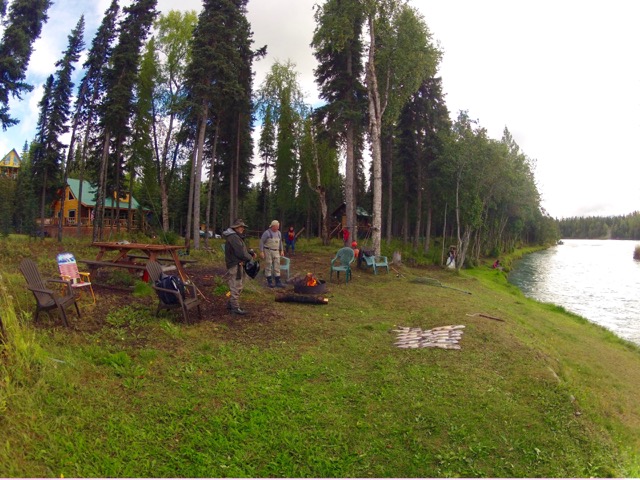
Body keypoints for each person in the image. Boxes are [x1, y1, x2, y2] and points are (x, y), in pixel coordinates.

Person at [222, 219, 256, 315]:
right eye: (241, 227)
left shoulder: (235, 237)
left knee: (238, 285)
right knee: (236, 285)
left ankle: (231, 304)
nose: (242, 229)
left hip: (237, 264)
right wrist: (250, 258)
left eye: (243, 227)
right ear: (236, 228)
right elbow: (240, 253)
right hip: (235, 265)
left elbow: (241, 251)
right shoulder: (233, 237)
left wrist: (249, 253)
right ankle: (235, 308)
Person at [260, 220, 285, 288]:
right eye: (277, 226)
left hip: (276, 251)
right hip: (268, 250)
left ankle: (278, 281)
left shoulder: (279, 233)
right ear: (273, 226)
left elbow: (280, 243)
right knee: (269, 264)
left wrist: (281, 250)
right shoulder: (267, 233)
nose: (278, 228)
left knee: (277, 265)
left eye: (278, 226)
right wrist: (261, 251)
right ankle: (269, 281)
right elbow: (262, 241)